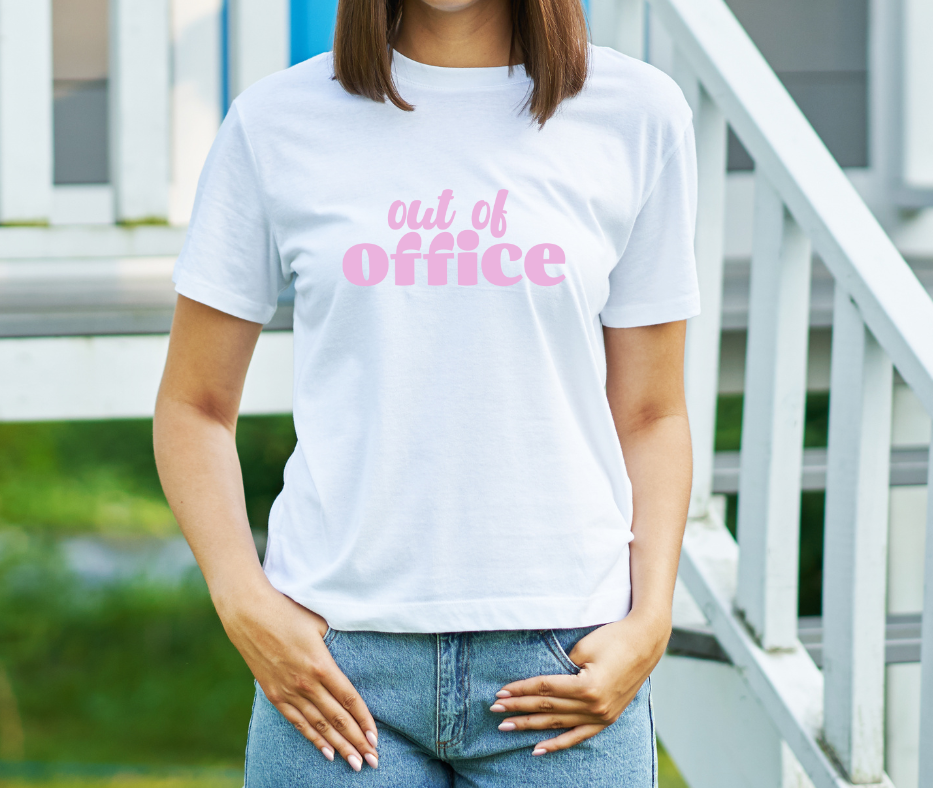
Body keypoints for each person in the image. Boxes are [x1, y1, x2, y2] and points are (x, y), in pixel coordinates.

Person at [153, 0, 699, 783]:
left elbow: (652, 412)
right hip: (334, 666)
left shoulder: (637, 114)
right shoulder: (276, 123)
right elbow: (193, 408)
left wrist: (651, 619)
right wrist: (245, 603)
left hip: (566, 662)